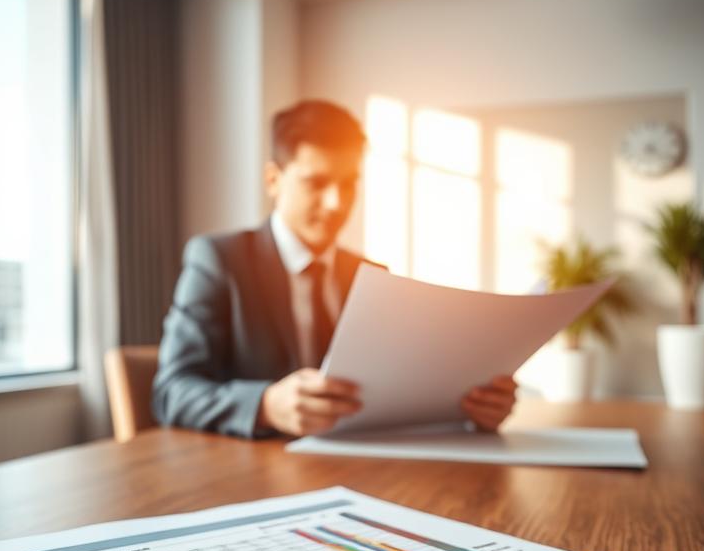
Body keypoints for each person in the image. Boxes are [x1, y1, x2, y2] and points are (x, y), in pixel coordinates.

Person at [153, 99, 517, 438]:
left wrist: (472, 408)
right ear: (273, 180)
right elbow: (172, 390)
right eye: (316, 182)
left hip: (356, 471)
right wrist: (264, 406)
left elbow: (396, 387)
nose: (335, 203)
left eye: (348, 184)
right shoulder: (219, 260)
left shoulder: (370, 274)